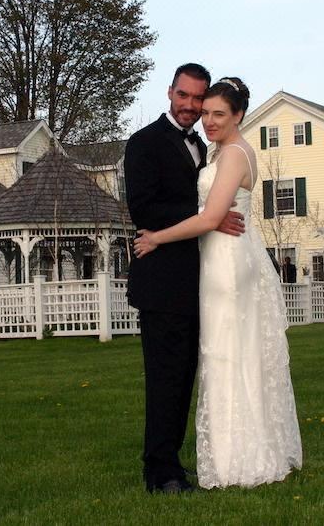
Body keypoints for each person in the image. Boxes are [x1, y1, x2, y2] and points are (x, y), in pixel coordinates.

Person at [134, 77, 302, 489]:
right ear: (171, 93)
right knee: (208, 364)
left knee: (226, 358)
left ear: (239, 115)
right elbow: (151, 204)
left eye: (215, 112)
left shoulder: (229, 154)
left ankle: (237, 462)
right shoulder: (166, 144)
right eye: (201, 109)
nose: (205, 118)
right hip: (197, 271)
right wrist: (209, 212)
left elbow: (210, 217)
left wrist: (161, 235)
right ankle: (185, 466)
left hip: (224, 266)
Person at [124, 63, 246, 494]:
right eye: (184, 96)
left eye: (198, 99)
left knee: (186, 378)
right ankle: (160, 474)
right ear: (169, 92)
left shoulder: (206, 146)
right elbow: (143, 209)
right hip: (162, 284)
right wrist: (208, 218)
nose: (191, 107)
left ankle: (173, 462)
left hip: (201, 282)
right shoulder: (144, 143)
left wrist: (211, 219)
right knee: (165, 381)